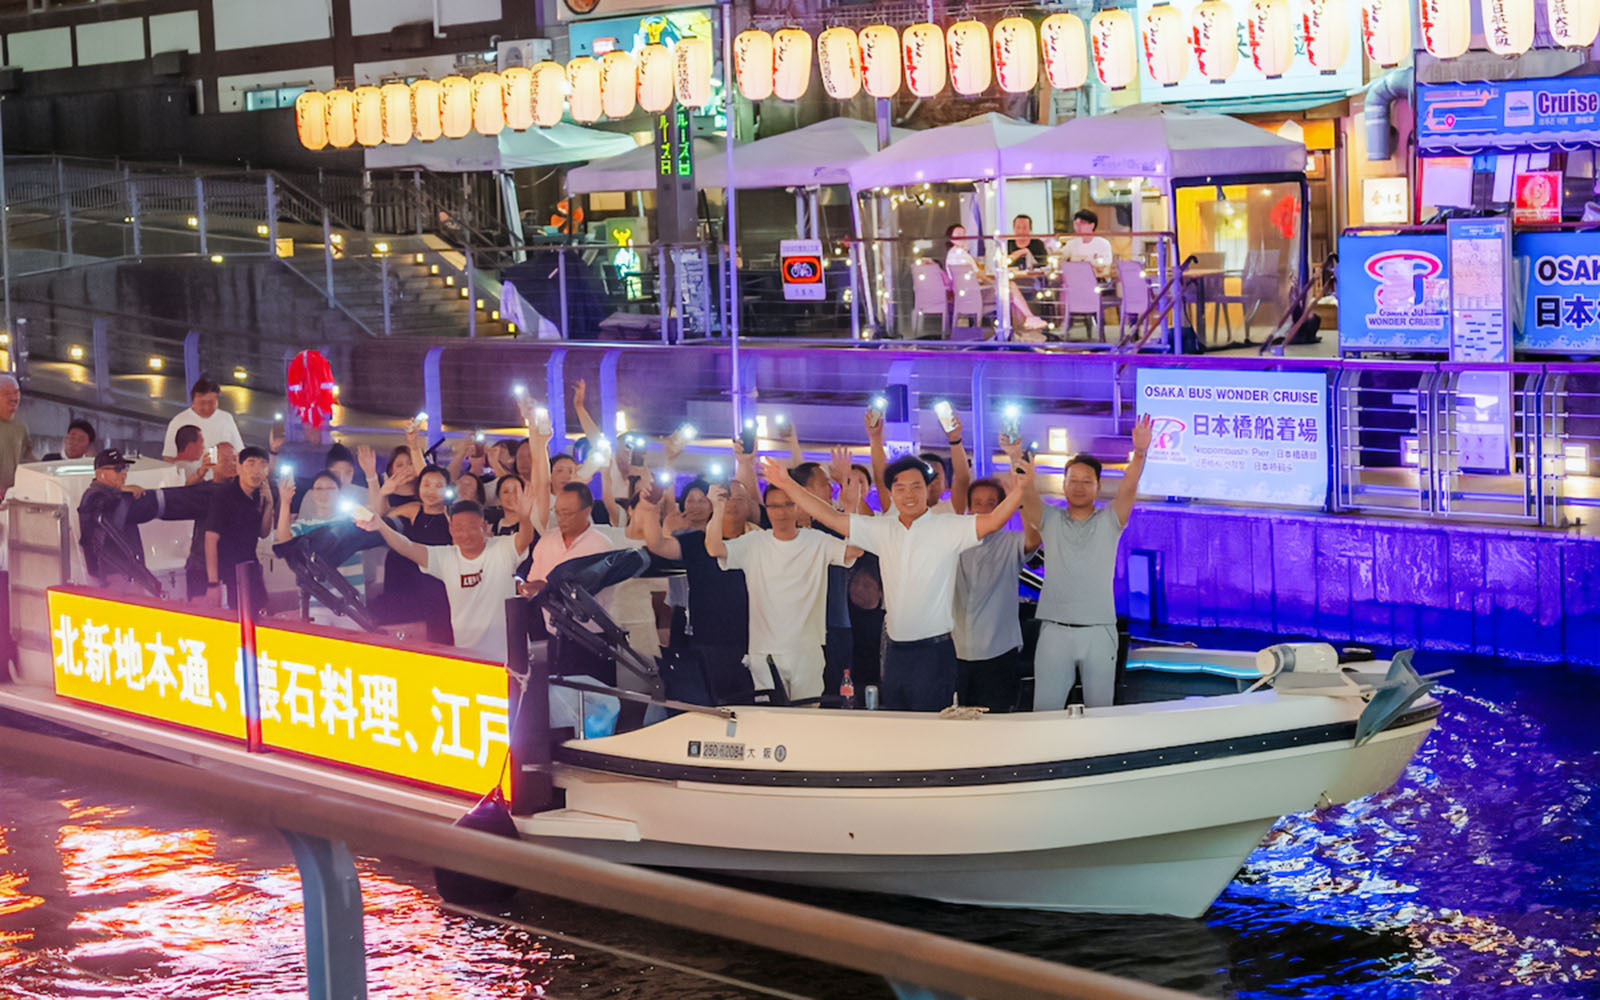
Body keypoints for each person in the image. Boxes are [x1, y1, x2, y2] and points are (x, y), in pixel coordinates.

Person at [764, 453, 1031, 711]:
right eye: (900, 488)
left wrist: (1020, 491)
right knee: (897, 724)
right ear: (891, 494)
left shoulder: (948, 527)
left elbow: (994, 521)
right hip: (894, 652)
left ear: (928, 490)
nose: (908, 494)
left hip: (934, 653)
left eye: (916, 487)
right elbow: (831, 518)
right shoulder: (883, 529)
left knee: (931, 733)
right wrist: (786, 484)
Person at [1033, 414, 1152, 711]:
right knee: (1044, 712)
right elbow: (1025, 495)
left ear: (1098, 486)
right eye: (1073, 480)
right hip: (1054, 631)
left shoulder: (1109, 521)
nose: (1079, 486)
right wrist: (1016, 462)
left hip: (1099, 630)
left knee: (1101, 712)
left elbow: (1129, 485)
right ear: (1063, 484)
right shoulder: (1049, 519)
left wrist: (1139, 453)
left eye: (1087, 481)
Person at [707, 481, 854, 703]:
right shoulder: (755, 542)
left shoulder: (816, 540)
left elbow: (854, 551)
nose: (781, 512)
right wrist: (717, 509)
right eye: (774, 506)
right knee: (768, 720)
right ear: (766, 508)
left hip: (806, 650)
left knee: (806, 719)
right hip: (764, 651)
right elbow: (715, 548)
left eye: (788, 504)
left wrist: (852, 508)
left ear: (798, 506)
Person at [358, 493, 533, 662]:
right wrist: (381, 526)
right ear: (450, 529)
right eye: (459, 528)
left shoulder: (502, 548)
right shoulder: (445, 557)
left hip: (509, 656)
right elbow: (407, 546)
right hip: (468, 654)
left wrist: (525, 518)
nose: (465, 534)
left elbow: (524, 539)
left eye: (472, 527)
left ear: (484, 525)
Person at [953, 455, 1042, 713]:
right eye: (977, 503)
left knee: (996, 723)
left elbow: (1033, 538)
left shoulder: (1010, 542)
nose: (984, 509)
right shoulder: (953, 541)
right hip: (956, 651)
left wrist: (1022, 494)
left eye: (992, 504)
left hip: (998, 652)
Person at [77, 448, 161, 589]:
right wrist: (120, 491)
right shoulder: (93, 496)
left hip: (124, 573)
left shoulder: (110, 496)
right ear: (100, 473)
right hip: (111, 574)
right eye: (118, 469)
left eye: (125, 468)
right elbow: (100, 506)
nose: (123, 473)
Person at [203, 445, 274, 609]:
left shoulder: (259, 495)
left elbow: (263, 533)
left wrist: (269, 505)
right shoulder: (224, 496)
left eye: (262, 465)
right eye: (251, 463)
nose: (256, 470)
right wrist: (213, 583)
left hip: (250, 568)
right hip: (227, 572)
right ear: (239, 468)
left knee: (260, 616)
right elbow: (210, 539)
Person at [274, 470, 364, 596]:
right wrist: (285, 501)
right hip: (317, 601)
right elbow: (284, 542)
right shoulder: (304, 525)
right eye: (319, 488)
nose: (324, 493)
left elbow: (377, 520)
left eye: (330, 488)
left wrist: (372, 478)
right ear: (312, 493)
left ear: (339, 492)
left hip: (353, 604)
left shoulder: (352, 521)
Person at [943, 224, 1047, 332]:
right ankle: (1027, 320)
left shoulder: (955, 254)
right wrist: (992, 282)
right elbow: (976, 275)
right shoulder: (958, 255)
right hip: (975, 295)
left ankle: (1023, 325)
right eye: (959, 235)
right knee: (1009, 288)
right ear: (951, 238)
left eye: (964, 234)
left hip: (968, 295)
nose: (963, 237)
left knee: (1009, 293)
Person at [162, 377, 243, 460]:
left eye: (211, 402)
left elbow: (239, 451)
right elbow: (169, 456)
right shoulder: (178, 421)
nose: (207, 407)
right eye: (202, 403)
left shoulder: (226, 418)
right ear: (193, 401)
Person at [0, 374, 34, 500]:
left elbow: (27, 458)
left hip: (13, 498)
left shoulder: (20, 426)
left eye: (16, 392)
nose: (13, 397)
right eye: (7, 393)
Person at [1062, 209, 1114, 275]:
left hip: (1097, 279)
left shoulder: (1103, 243)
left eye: (1082, 223)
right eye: (1076, 223)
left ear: (1092, 225)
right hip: (1075, 277)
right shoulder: (1072, 243)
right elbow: (1061, 256)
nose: (1078, 226)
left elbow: (1106, 265)